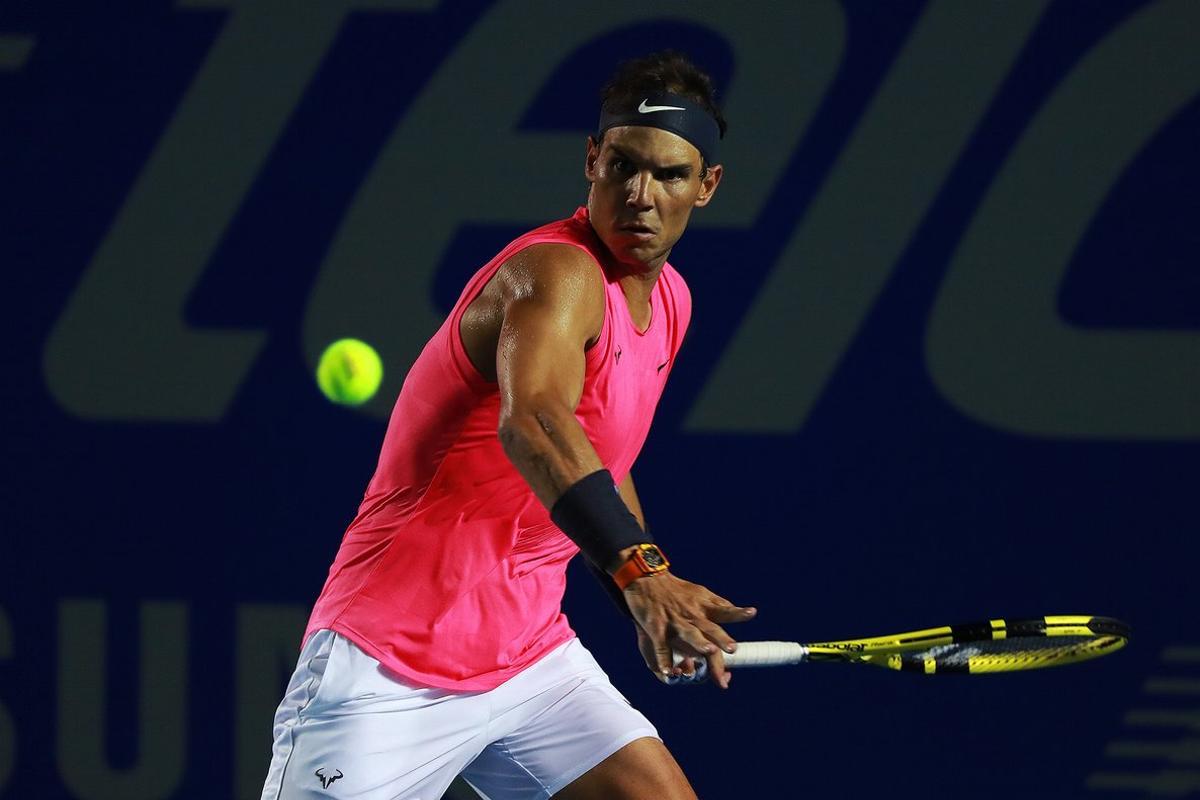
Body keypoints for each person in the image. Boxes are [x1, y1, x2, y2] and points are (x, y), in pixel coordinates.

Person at [261, 50, 756, 800]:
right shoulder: (556, 274)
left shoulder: (672, 304)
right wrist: (642, 573)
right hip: (386, 661)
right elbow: (536, 423)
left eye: (670, 175)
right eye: (622, 166)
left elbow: (601, 456)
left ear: (707, 187)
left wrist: (646, 597)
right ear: (591, 161)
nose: (640, 195)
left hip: (527, 658)